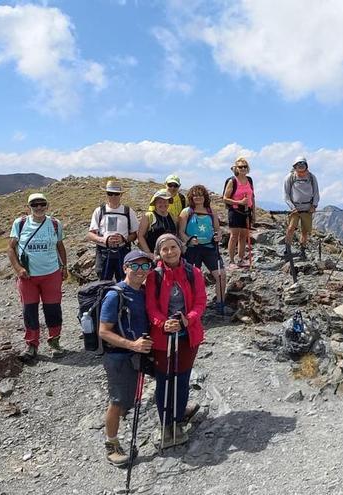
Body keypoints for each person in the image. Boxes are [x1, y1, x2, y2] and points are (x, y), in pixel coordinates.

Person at [145, 234, 207, 448]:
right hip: (163, 337)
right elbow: (150, 306)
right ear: (159, 253)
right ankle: (166, 424)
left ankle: (178, 420)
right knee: (163, 380)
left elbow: (200, 302)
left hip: (188, 336)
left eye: (173, 247)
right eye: (165, 249)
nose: (170, 252)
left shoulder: (194, 272)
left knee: (182, 379)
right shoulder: (154, 276)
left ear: (180, 248)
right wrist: (162, 323)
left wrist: (187, 320)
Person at [98, 250, 154, 467]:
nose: (141, 271)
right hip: (119, 356)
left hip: (139, 353)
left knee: (164, 379)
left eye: (145, 266)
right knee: (119, 401)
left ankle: (177, 411)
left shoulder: (144, 291)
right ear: (125, 268)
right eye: (135, 266)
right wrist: (132, 345)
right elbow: (103, 331)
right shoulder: (116, 295)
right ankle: (111, 445)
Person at [7, 193, 68, 362]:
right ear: (29, 207)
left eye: (42, 204)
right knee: (29, 311)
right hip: (28, 277)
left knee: (53, 310)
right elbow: (11, 249)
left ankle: (54, 342)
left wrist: (64, 266)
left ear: (47, 206)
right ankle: (32, 345)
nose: (39, 207)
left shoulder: (55, 224)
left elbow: (60, 246)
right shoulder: (20, 224)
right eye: (35, 205)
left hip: (51, 274)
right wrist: (18, 268)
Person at [179, 185, 228, 316]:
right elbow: (181, 232)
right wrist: (188, 240)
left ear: (205, 197)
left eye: (200, 195)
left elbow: (218, 229)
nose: (198, 197)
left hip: (210, 247)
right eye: (195, 195)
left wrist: (218, 236)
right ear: (191, 197)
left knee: (221, 275)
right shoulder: (186, 212)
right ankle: (193, 307)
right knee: (192, 278)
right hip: (192, 249)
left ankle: (220, 304)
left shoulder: (211, 211)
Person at [87, 180, 139, 281]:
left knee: (124, 281)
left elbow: (134, 234)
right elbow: (90, 234)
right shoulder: (99, 211)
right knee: (103, 282)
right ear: (106, 195)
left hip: (123, 250)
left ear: (120, 195)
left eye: (116, 194)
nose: (113, 197)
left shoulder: (128, 211)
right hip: (103, 252)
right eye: (110, 194)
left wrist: (124, 239)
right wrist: (104, 240)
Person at [283, 156, 320, 256]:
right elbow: (286, 195)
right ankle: (287, 249)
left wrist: (314, 205)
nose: (300, 167)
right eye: (298, 165)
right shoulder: (290, 177)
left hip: (307, 208)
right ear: (295, 166)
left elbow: (316, 193)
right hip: (294, 209)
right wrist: (292, 207)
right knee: (291, 228)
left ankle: (302, 250)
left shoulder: (312, 177)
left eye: (302, 164)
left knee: (305, 231)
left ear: (306, 166)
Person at [222, 157, 254, 269]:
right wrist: (239, 202)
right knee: (234, 236)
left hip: (247, 211)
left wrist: (253, 212)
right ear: (236, 168)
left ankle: (240, 259)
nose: (243, 168)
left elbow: (252, 197)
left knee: (243, 236)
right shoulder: (232, 181)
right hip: (235, 211)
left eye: (245, 166)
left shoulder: (249, 180)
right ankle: (231, 261)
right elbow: (225, 198)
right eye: (241, 167)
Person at [138, 189, 178, 254]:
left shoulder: (172, 216)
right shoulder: (149, 216)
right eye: (160, 202)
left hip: (169, 254)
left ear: (169, 202)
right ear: (155, 203)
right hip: (153, 255)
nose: (163, 204)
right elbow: (140, 236)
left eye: (165, 201)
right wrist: (148, 253)